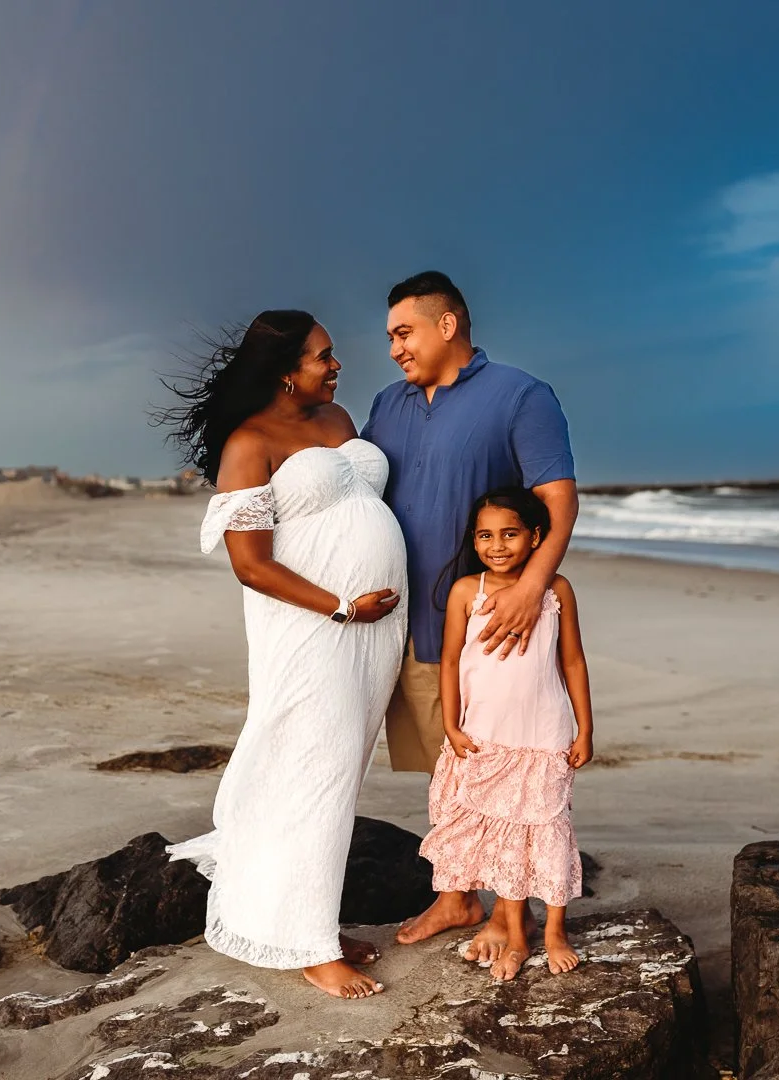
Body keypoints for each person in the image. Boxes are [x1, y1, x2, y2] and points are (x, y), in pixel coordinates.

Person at [158, 310, 407, 999]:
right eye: (323, 358)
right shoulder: (250, 442)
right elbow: (251, 564)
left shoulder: (339, 420)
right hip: (314, 630)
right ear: (284, 371)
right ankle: (307, 943)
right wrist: (342, 606)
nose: (336, 367)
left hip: (373, 631)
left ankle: (308, 920)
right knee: (312, 770)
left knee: (340, 771)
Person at [360, 271, 579, 944]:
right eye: (391, 337)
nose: (395, 348)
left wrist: (531, 585)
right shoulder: (387, 405)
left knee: (495, 761)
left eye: (404, 332)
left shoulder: (520, 395)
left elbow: (558, 498)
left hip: (485, 624)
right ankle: (460, 896)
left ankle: (496, 905)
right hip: (396, 621)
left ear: (447, 325)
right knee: (447, 766)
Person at [422, 488, 595, 979]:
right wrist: (451, 725)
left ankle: (556, 929)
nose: (496, 545)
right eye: (485, 535)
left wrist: (586, 728)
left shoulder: (556, 589)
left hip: (544, 735)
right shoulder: (466, 592)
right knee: (502, 837)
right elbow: (452, 661)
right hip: (486, 735)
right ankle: (516, 935)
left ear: (536, 536)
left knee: (545, 828)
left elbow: (573, 660)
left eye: (510, 534)